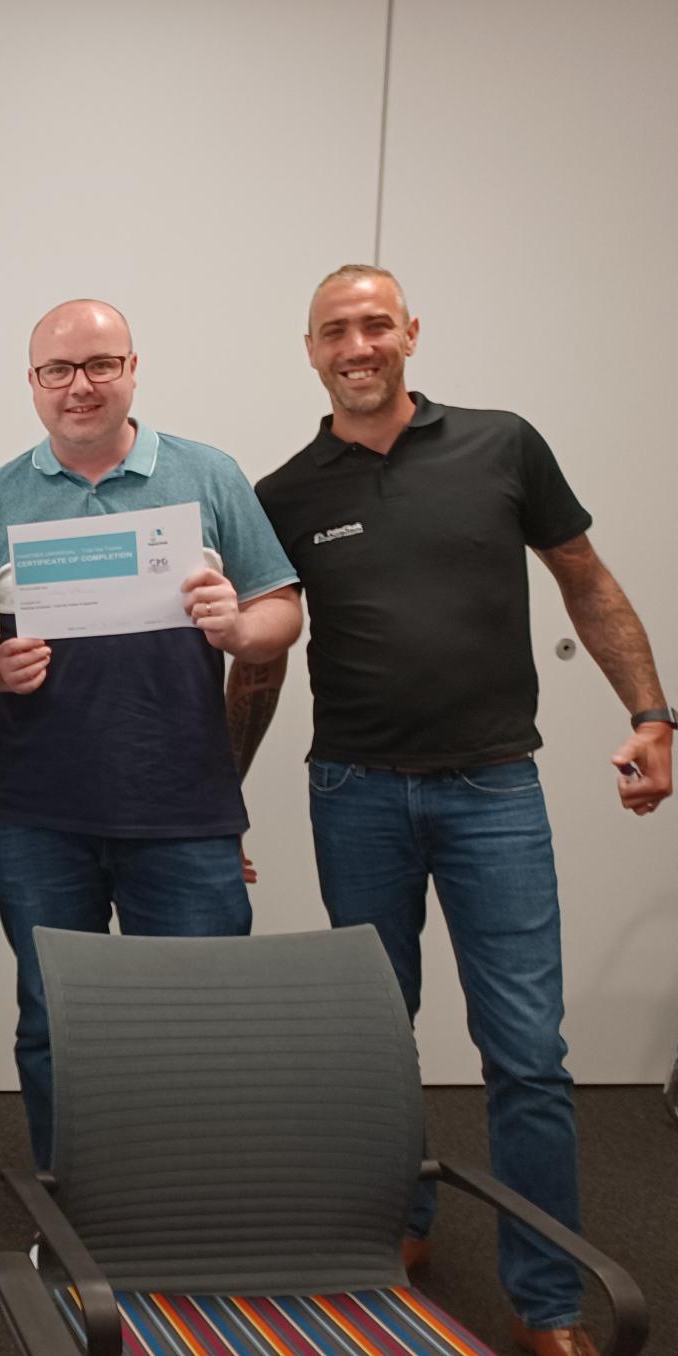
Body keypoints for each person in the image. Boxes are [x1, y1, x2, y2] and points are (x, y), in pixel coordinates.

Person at [233, 264, 670, 1356]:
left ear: (409, 334)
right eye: (335, 330)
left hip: (493, 792)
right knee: (374, 1043)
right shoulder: (280, 494)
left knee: (525, 1050)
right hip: (353, 796)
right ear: (309, 350)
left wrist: (652, 714)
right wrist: (215, 790)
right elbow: (259, 668)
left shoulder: (500, 444)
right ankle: (398, 1225)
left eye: (374, 323)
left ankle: (550, 1299)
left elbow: (584, 577)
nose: (357, 344)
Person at [0, 298, 301, 1168]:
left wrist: (237, 626)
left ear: (133, 369)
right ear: (33, 384)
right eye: (58, 371)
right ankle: (75, 1215)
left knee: (199, 1026)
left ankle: (182, 1218)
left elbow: (281, 613)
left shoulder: (208, 475)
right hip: (40, 814)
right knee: (55, 1024)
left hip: (183, 806)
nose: (80, 387)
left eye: (100, 365)